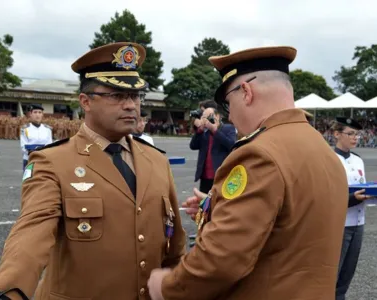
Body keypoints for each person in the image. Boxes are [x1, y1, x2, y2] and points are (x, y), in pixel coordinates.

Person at [0, 42, 186, 300]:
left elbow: (175, 246)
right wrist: (8, 291)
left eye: (135, 96)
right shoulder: (52, 162)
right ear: (85, 102)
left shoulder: (156, 160)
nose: (130, 106)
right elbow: (30, 234)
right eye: (116, 95)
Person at [147, 46, 349, 300]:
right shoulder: (321, 147)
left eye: (228, 104)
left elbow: (221, 259)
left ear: (246, 91)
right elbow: (291, 221)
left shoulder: (260, 154)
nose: (230, 115)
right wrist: (216, 207)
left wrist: (167, 287)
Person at [332, 117, 375, 300]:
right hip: (339, 223)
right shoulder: (330, 159)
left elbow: (361, 186)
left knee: (348, 272)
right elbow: (326, 193)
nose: (355, 138)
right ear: (336, 134)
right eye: (350, 134)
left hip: (359, 222)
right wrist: (350, 199)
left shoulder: (358, 160)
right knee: (333, 271)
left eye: (357, 134)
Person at [190, 107, 236, 193]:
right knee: (204, 202)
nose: (207, 120)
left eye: (209, 116)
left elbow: (231, 145)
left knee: (219, 202)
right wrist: (199, 130)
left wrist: (215, 130)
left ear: (217, 116)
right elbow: (193, 146)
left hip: (220, 175)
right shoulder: (204, 132)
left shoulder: (228, 128)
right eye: (204, 117)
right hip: (205, 176)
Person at [20, 104, 53, 170]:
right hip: (29, 159)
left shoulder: (47, 129)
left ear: (42, 115)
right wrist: (34, 153)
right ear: (30, 114)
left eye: (39, 112)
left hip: (43, 160)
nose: (37, 115)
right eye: (35, 112)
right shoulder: (25, 129)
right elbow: (23, 147)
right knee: (28, 180)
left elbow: (49, 146)